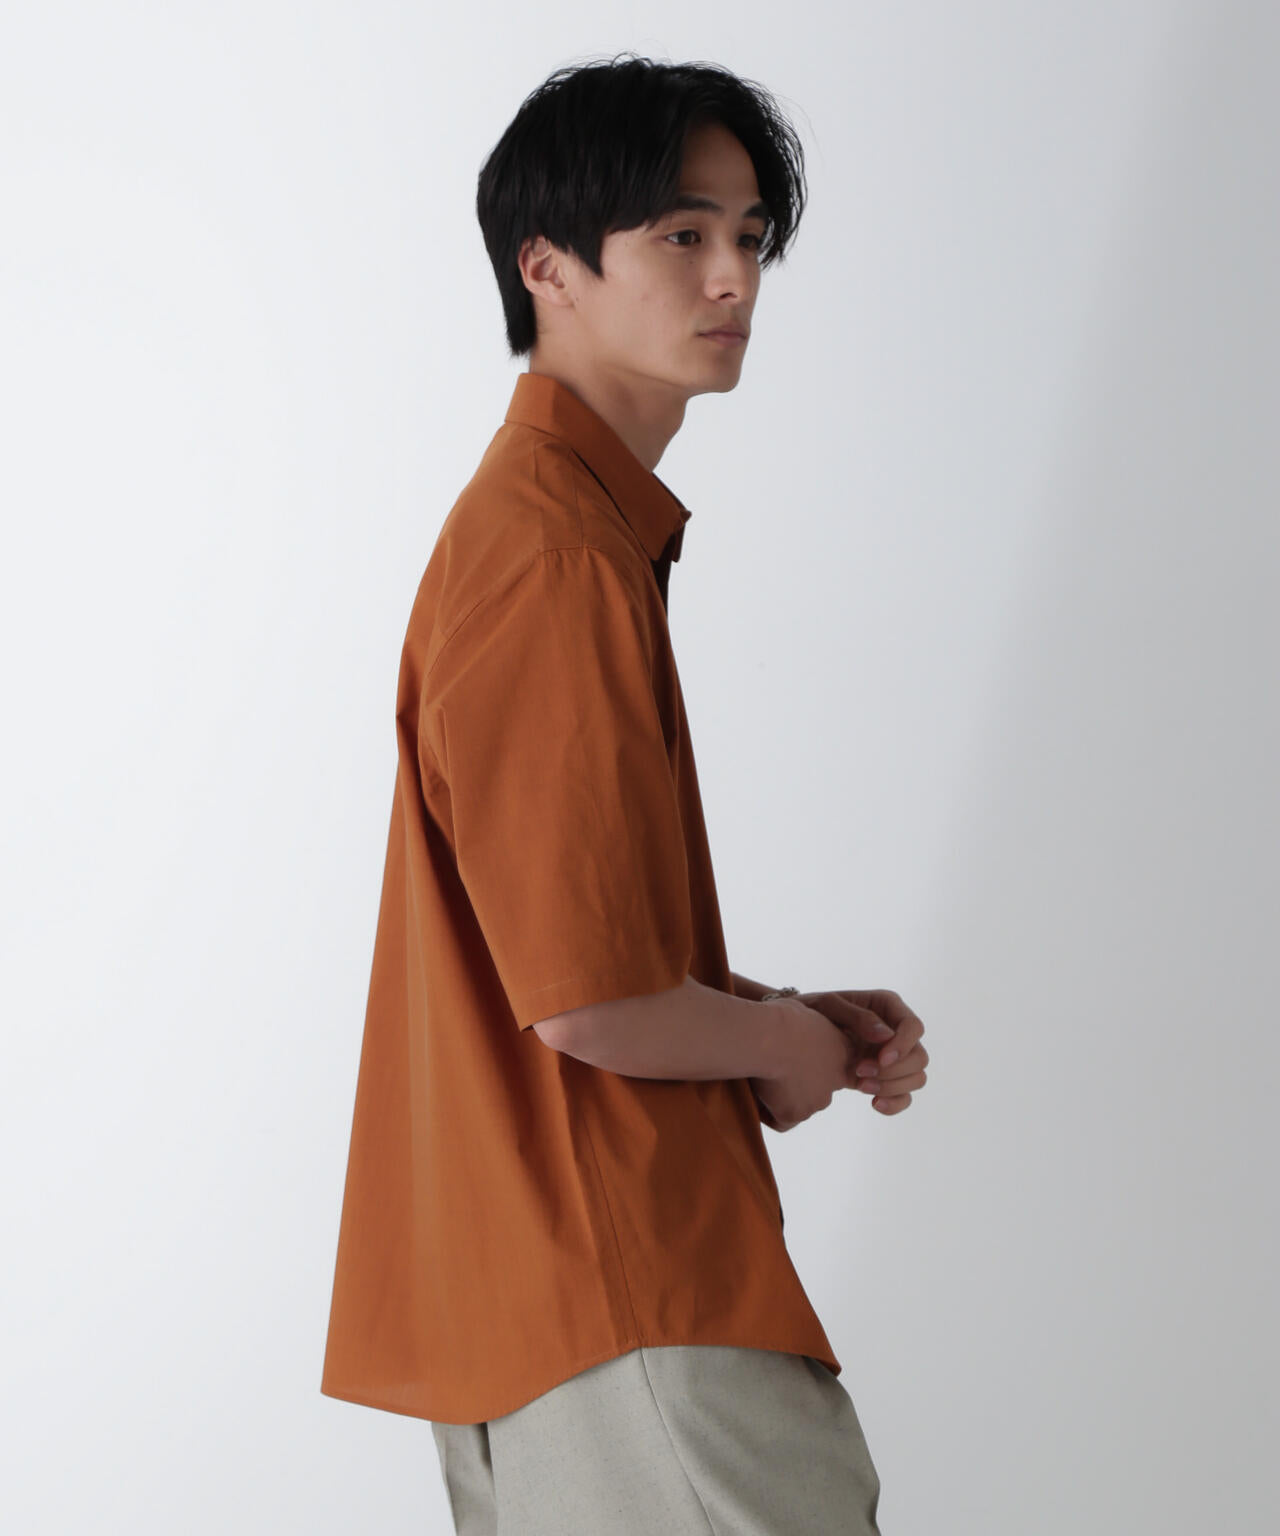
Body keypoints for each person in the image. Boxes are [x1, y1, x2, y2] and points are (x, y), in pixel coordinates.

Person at [320, 51, 928, 1535]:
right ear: (548, 269)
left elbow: (566, 952)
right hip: (631, 1308)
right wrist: (776, 1042)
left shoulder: (561, 527)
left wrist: (776, 1017)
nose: (734, 276)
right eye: (681, 234)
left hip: (556, 1304)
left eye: (751, 235)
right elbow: (589, 1005)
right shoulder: (554, 552)